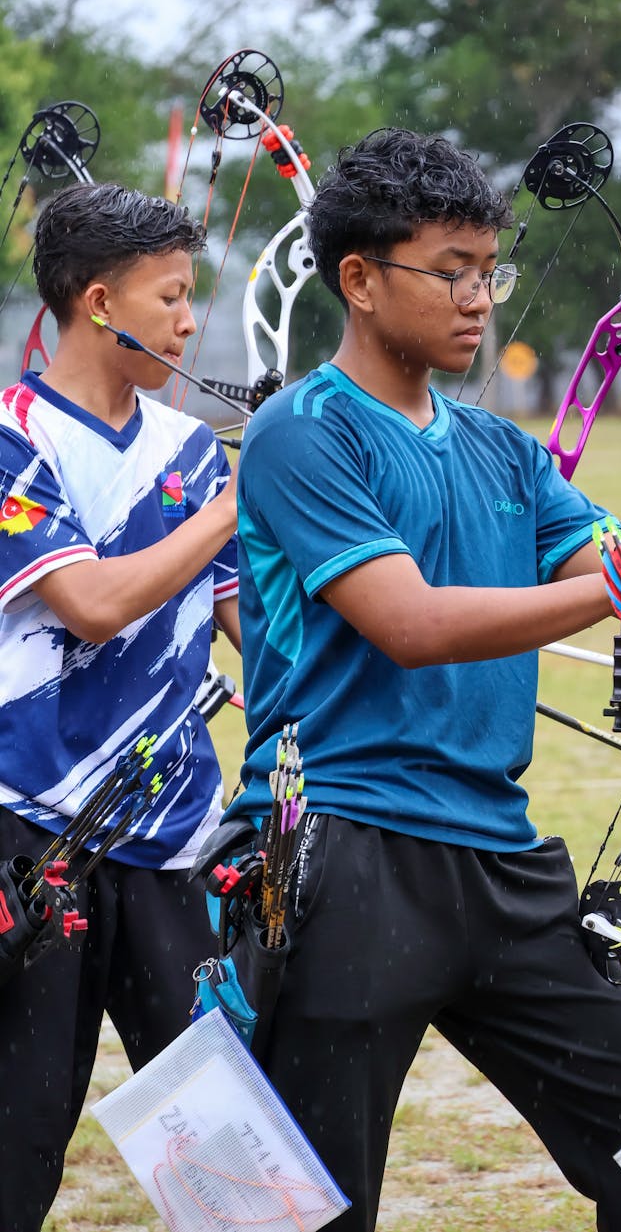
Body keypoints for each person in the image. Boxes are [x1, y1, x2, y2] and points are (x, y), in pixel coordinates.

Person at [231, 128, 621, 1231]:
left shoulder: (503, 451)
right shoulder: (300, 435)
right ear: (359, 279)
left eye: (488, 271)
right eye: (449, 271)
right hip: (348, 861)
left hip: (500, 864)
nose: (478, 298)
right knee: (311, 1213)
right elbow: (410, 622)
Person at [0, 183, 240, 1232]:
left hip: (174, 836)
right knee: (20, 1132)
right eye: (171, 297)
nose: (189, 322)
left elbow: (253, 627)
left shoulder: (192, 450)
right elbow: (92, 604)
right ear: (100, 303)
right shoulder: (13, 439)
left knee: (227, 1136)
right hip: (33, 831)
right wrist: (233, 506)